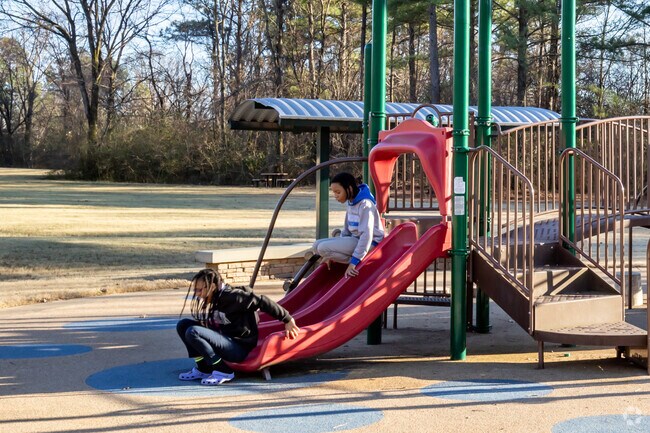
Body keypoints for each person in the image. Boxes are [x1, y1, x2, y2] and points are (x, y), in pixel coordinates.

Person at [176, 268, 300, 385]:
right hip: (226, 340)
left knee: (193, 332)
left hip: (239, 348)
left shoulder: (233, 296)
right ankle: (204, 368)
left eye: (199, 290)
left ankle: (223, 371)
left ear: (212, 287)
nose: (197, 294)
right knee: (183, 325)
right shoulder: (216, 297)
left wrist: (287, 319)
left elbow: (262, 301)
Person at [311, 172, 385, 278]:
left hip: (370, 244)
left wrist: (354, 262)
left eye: (338, 192)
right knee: (316, 246)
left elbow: (366, 235)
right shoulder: (351, 202)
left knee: (322, 248)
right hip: (355, 239)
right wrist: (329, 255)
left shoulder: (365, 205)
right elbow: (346, 230)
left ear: (349, 188)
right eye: (334, 192)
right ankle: (346, 256)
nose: (335, 196)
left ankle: (357, 260)